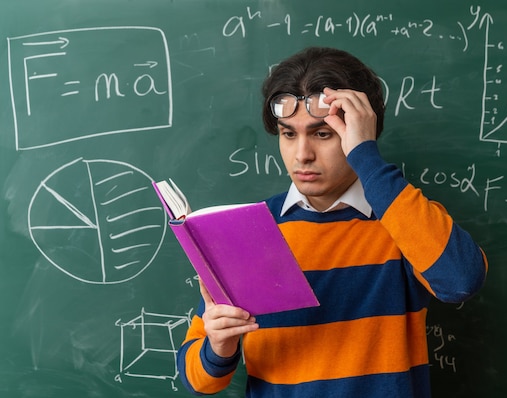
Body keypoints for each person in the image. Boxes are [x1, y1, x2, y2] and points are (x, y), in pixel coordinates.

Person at [176, 46, 488, 397]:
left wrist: (366, 156)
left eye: (322, 134)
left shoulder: (404, 219)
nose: (302, 154)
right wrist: (219, 347)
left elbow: (462, 280)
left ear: (358, 132)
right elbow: (196, 379)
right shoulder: (246, 231)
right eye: (288, 134)